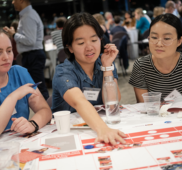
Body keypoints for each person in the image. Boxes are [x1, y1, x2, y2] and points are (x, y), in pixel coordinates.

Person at [0, 25, 52, 148]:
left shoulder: (20, 73)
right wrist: (13, 96)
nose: (6, 57)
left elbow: (45, 110)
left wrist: (32, 124)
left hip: (18, 146)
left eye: (9, 50)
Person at [52, 12, 127, 145]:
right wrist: (103, 129)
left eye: (94, 40)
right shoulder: (63, 72)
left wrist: (107, 66)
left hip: (98, 128)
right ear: (69, 48)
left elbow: (112, 104)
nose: (90, 47)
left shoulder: (104, 64)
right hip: (68, 135)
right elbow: (78, 102)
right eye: (81, 43)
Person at [129, 13, 182, 102]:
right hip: (151, 115)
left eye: (166, 38)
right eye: (154, 37)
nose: (159, 44)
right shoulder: (141, 65)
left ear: (179, 41)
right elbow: (143, 106)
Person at [3, 0, 49, 100]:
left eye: (14, 0)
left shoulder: (28, 16)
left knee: (39, 88)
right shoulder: (27, 15)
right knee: (37, 88)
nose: (12, 2)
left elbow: (30, 40)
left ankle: (49, 113)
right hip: (32, 55)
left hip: (33, 55)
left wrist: (14, 35)